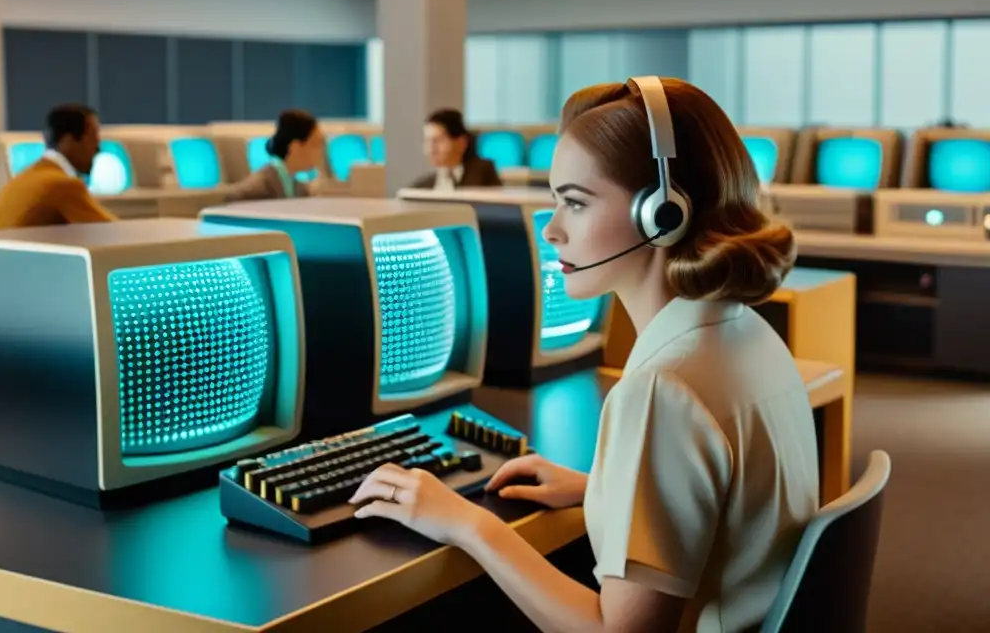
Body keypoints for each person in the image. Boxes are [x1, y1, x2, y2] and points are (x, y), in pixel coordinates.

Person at [350, 77, 819, 632]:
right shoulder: (746, 333)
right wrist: (599, 490)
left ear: (661, 213)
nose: (551, 230)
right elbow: (725, 506)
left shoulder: (660, 388)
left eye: (574, 202)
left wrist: (468, 524)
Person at [0, 104, 116, 231]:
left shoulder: (22, 180)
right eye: (93, 140)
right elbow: (116, 233)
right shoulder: (62, 185)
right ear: (68, 141)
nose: (98, 150)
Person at [225, 109, 330, 201]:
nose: (321, 151)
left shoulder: (301, 189)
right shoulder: (258, 187)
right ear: (296, 147)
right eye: (317, 144)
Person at [409, 109, 502, 190]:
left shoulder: (482, 174)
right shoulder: (422, 186)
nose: (431, 149)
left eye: (438, 141)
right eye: (427, 141)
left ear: (461, 143)